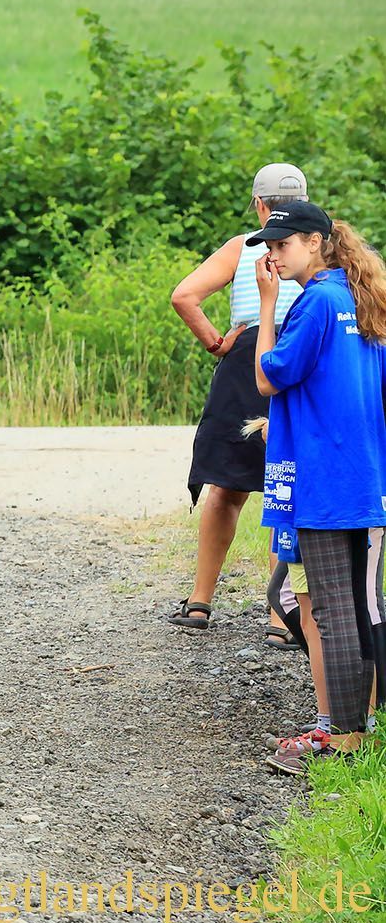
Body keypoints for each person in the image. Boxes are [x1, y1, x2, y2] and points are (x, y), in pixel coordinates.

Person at [250, 201, 386, 772]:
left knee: (333, 612)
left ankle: (347, 739)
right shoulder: (365, 299)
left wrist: (265, 307)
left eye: (281, 246)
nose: (273, 257)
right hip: (368, 478)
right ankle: (362, 731)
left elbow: (266, 377)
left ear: (314, 241)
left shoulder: (317, 301)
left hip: (326, 483)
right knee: (363, 606)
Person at [168, 163, 310, 634]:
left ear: (259, 205)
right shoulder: (315, 249)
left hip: (246, 360)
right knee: (284, 489)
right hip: (300, 359)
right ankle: (280, 616)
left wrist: (216, 341)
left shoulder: (243, 246)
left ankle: (199, 602)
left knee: (227, 489)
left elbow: (184, 295)